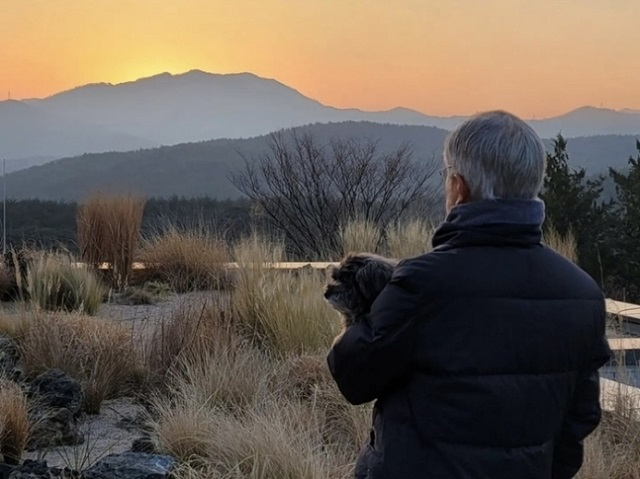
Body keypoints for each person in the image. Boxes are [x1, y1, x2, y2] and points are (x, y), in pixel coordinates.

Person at [327, 110, 611, 479]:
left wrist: (360, 308)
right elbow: (581, 418)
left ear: (459, 188)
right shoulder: (583, 293)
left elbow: (353, 376)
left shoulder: (421, 283)